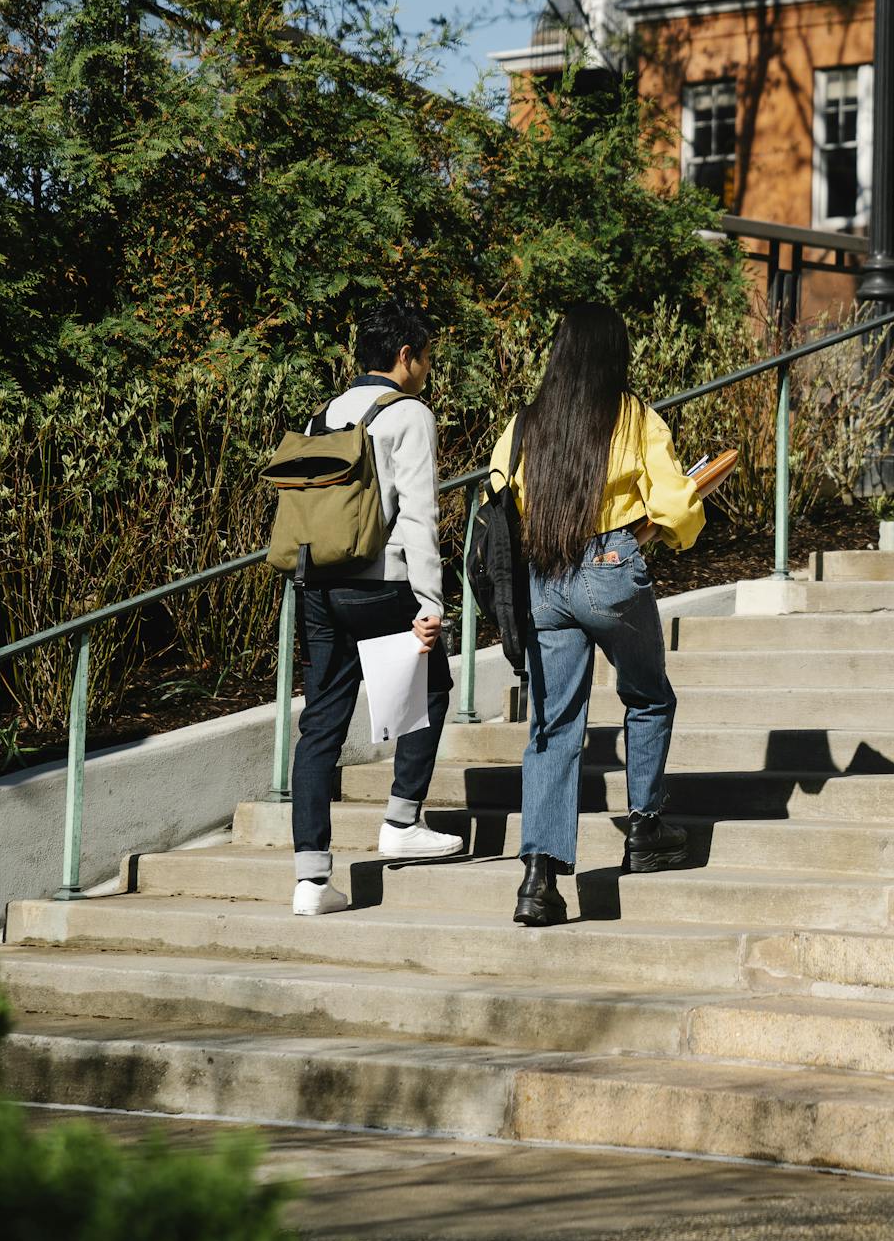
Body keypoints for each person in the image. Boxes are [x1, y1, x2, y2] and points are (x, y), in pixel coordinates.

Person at [487, 303, 705, 928]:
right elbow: (674, 503)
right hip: (610, 566)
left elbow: (499, 490)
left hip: (543, 577)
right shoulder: (633, 415)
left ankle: (539, 879)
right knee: (647, 695)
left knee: (554, 727)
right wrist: (677, 528)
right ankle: (644, 829)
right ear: (615, 353)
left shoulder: (527, 421)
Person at [291, 298, 463, 917]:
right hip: (381, 584)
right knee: (432, 685)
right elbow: (420, 514)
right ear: (404, 356)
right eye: (426, 358)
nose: (426, 370)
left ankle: (310, 880)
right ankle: (400, 820)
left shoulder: (325, 413)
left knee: (320, 727)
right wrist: (430, 603)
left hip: (318, 587)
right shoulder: (410, 413)